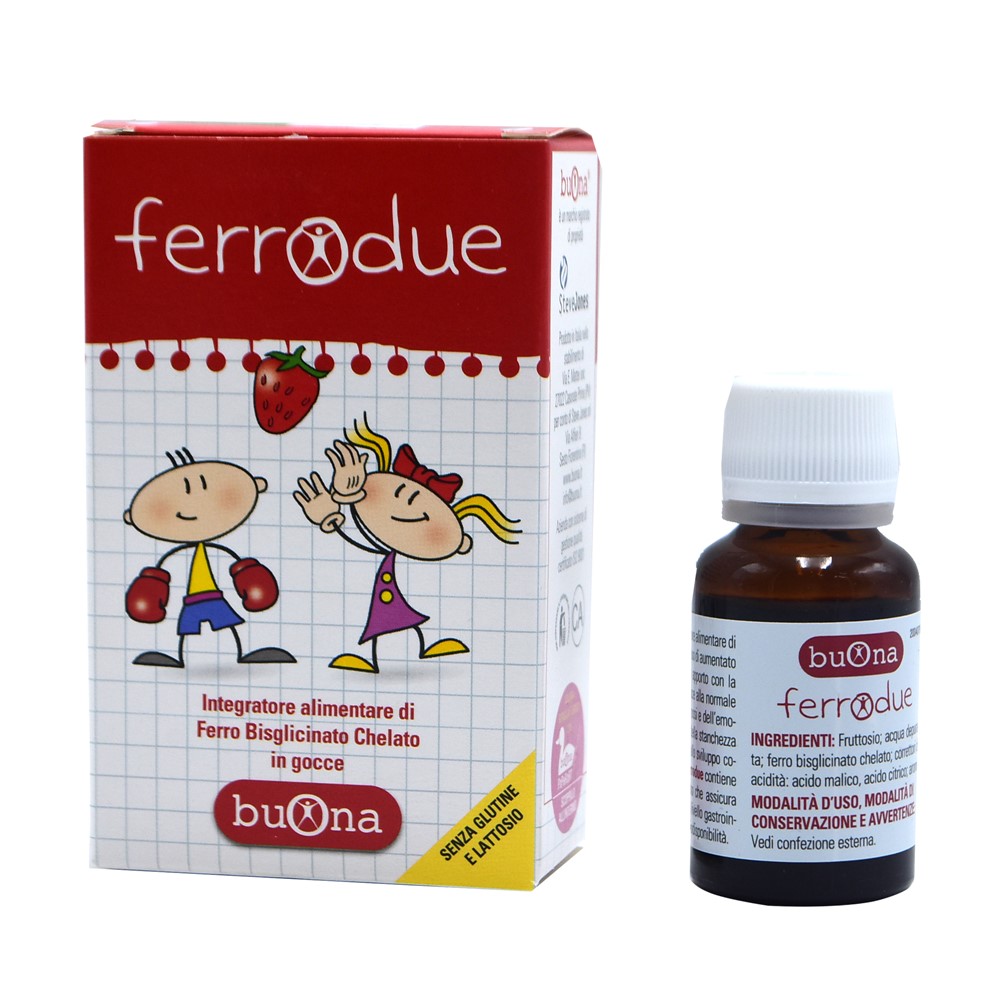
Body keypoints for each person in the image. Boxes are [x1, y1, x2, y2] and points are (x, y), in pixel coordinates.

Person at [294, 415, 519, 672]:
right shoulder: (384, 548)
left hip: (417, 602)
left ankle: (416, 652)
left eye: (411, 498)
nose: (406, 501)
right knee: (391, 627)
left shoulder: (433, 564)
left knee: (403, 625)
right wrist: (334, 512)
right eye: (398, 492)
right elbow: (365, 542)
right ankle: (391, 658)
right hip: (387, 599)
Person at [124, 448, 295, 668]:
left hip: (215, 597)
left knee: (226, 625)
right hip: (191, 601)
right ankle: (182, 658)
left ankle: (238, 655)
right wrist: (150, 586)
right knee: (188, 630)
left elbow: (243, 571)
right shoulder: (174, 560)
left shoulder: (222, 555)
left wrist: (250, 577)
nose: (192, 506)